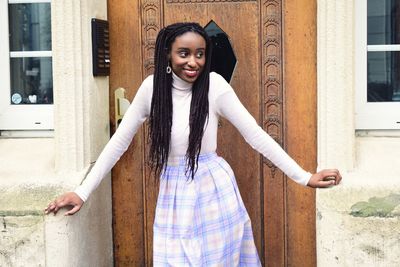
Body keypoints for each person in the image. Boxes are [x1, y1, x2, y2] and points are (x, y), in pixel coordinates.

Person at [45, 22, 342, 266]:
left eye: (200, 54)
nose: (193, 61)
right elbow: (118, 143)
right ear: (167, 54)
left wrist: (304, 177)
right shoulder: (152, 89)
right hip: (174, 194)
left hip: (215, 189)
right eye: (184, 53)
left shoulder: (215, 86)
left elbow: (256, 135)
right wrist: (82, 192)